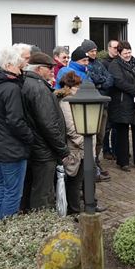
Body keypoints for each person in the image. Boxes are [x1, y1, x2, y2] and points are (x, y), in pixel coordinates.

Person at [0, 47, 34, 220]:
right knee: (13, 193)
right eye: (19, 65)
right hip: (11, 149)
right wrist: (30, 137)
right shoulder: (11, 89)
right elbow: (15, 121)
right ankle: (6, 230)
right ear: (9, 65)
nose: (21, 69)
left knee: (3, 189)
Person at [21, 52, 70, 211]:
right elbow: (47, 123)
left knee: (35, 187)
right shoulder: (38, 88)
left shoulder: (30, 83)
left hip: (38, 146)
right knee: (43, 191)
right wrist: (62, 149)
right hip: (44, 148)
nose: (52, 71)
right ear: (39, 69)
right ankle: (43, 226)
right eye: (49, 68)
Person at [108, 41, 135, 171]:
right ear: (119, 53)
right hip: (121, 103)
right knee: (122, 133)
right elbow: (119, 82)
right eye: (125, 53)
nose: (128, 55)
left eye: (129, 52)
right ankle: (123, 162)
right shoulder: (114, 65)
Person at [55, 71, 91, 215]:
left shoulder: (74, 100)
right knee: (74, 181)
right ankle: (74, 210)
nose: (78, 89)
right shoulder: (66, 103)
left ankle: (81, 207)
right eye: (76, 86)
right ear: (68, 87)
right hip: (75, 149)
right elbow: (71, 128)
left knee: (80, 179)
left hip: (81, 148)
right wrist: (85, 143)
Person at [82, 39, 114, 182]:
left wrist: (99, 84)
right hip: (92, 107)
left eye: (95, 50)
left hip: (103, 105)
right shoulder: (85, 65)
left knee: (101, 136)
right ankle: (91, 164)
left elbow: (110, 80)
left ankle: (96, 161)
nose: (94, 53)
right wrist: (100, 83)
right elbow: (90, 81)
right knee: (92, 138)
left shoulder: (99, 64)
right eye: (92, 51)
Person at [101, 39, 120, 160]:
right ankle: (106, 150)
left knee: (116, 127)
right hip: (108, 98)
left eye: (118, 47)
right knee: (106, 127)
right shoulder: (103, 63)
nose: (116, 50)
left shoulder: (121, 61)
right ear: (109, 48)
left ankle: (116, 149)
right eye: (114, 47)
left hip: (118, 99)